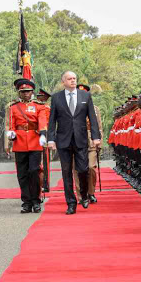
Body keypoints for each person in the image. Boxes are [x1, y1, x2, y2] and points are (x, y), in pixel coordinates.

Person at [47, 71, 101, 215]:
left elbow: (92, 118)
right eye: (69, 79)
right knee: (66, 173)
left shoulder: (85, 96)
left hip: (81, 138)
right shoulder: (56, 98)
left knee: (83, 169)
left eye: (74, 78)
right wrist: (50, 139)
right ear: (63, 81)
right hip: (63, 140)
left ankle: (84, 195)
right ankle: (71, 203)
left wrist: (96, 136)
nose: (73, 81)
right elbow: (52, 120)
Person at [5, 79, 48, 213]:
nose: (26, 94)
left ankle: (36, 200)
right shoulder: (13, 107)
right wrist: (10, 134)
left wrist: (43, 134)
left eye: (28, 91)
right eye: (23, 92)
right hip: (20, 142)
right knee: (22, 174)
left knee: (34, 171)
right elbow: (9, 123)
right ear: (19, 92)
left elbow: (42, 120)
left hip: (35, 141)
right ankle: (26, 202)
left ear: (32, 92)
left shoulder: (39, 106)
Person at [73, 84, 103, 204]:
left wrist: (99, 142)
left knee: (91, 168)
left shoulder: (95, 109)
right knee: (77, 170)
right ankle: (81, 195)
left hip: (91, 142)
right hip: (76, 141)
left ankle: (91, 192)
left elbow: (99, 127)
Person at [36, 89, 52, 194]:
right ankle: (39, 183)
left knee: (45, 162)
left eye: (41, 97)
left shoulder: (46, 108)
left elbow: (49, 124)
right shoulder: (36, 106)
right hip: (35, 136)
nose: (38, 98)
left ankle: (45, 183)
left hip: (44, 136)